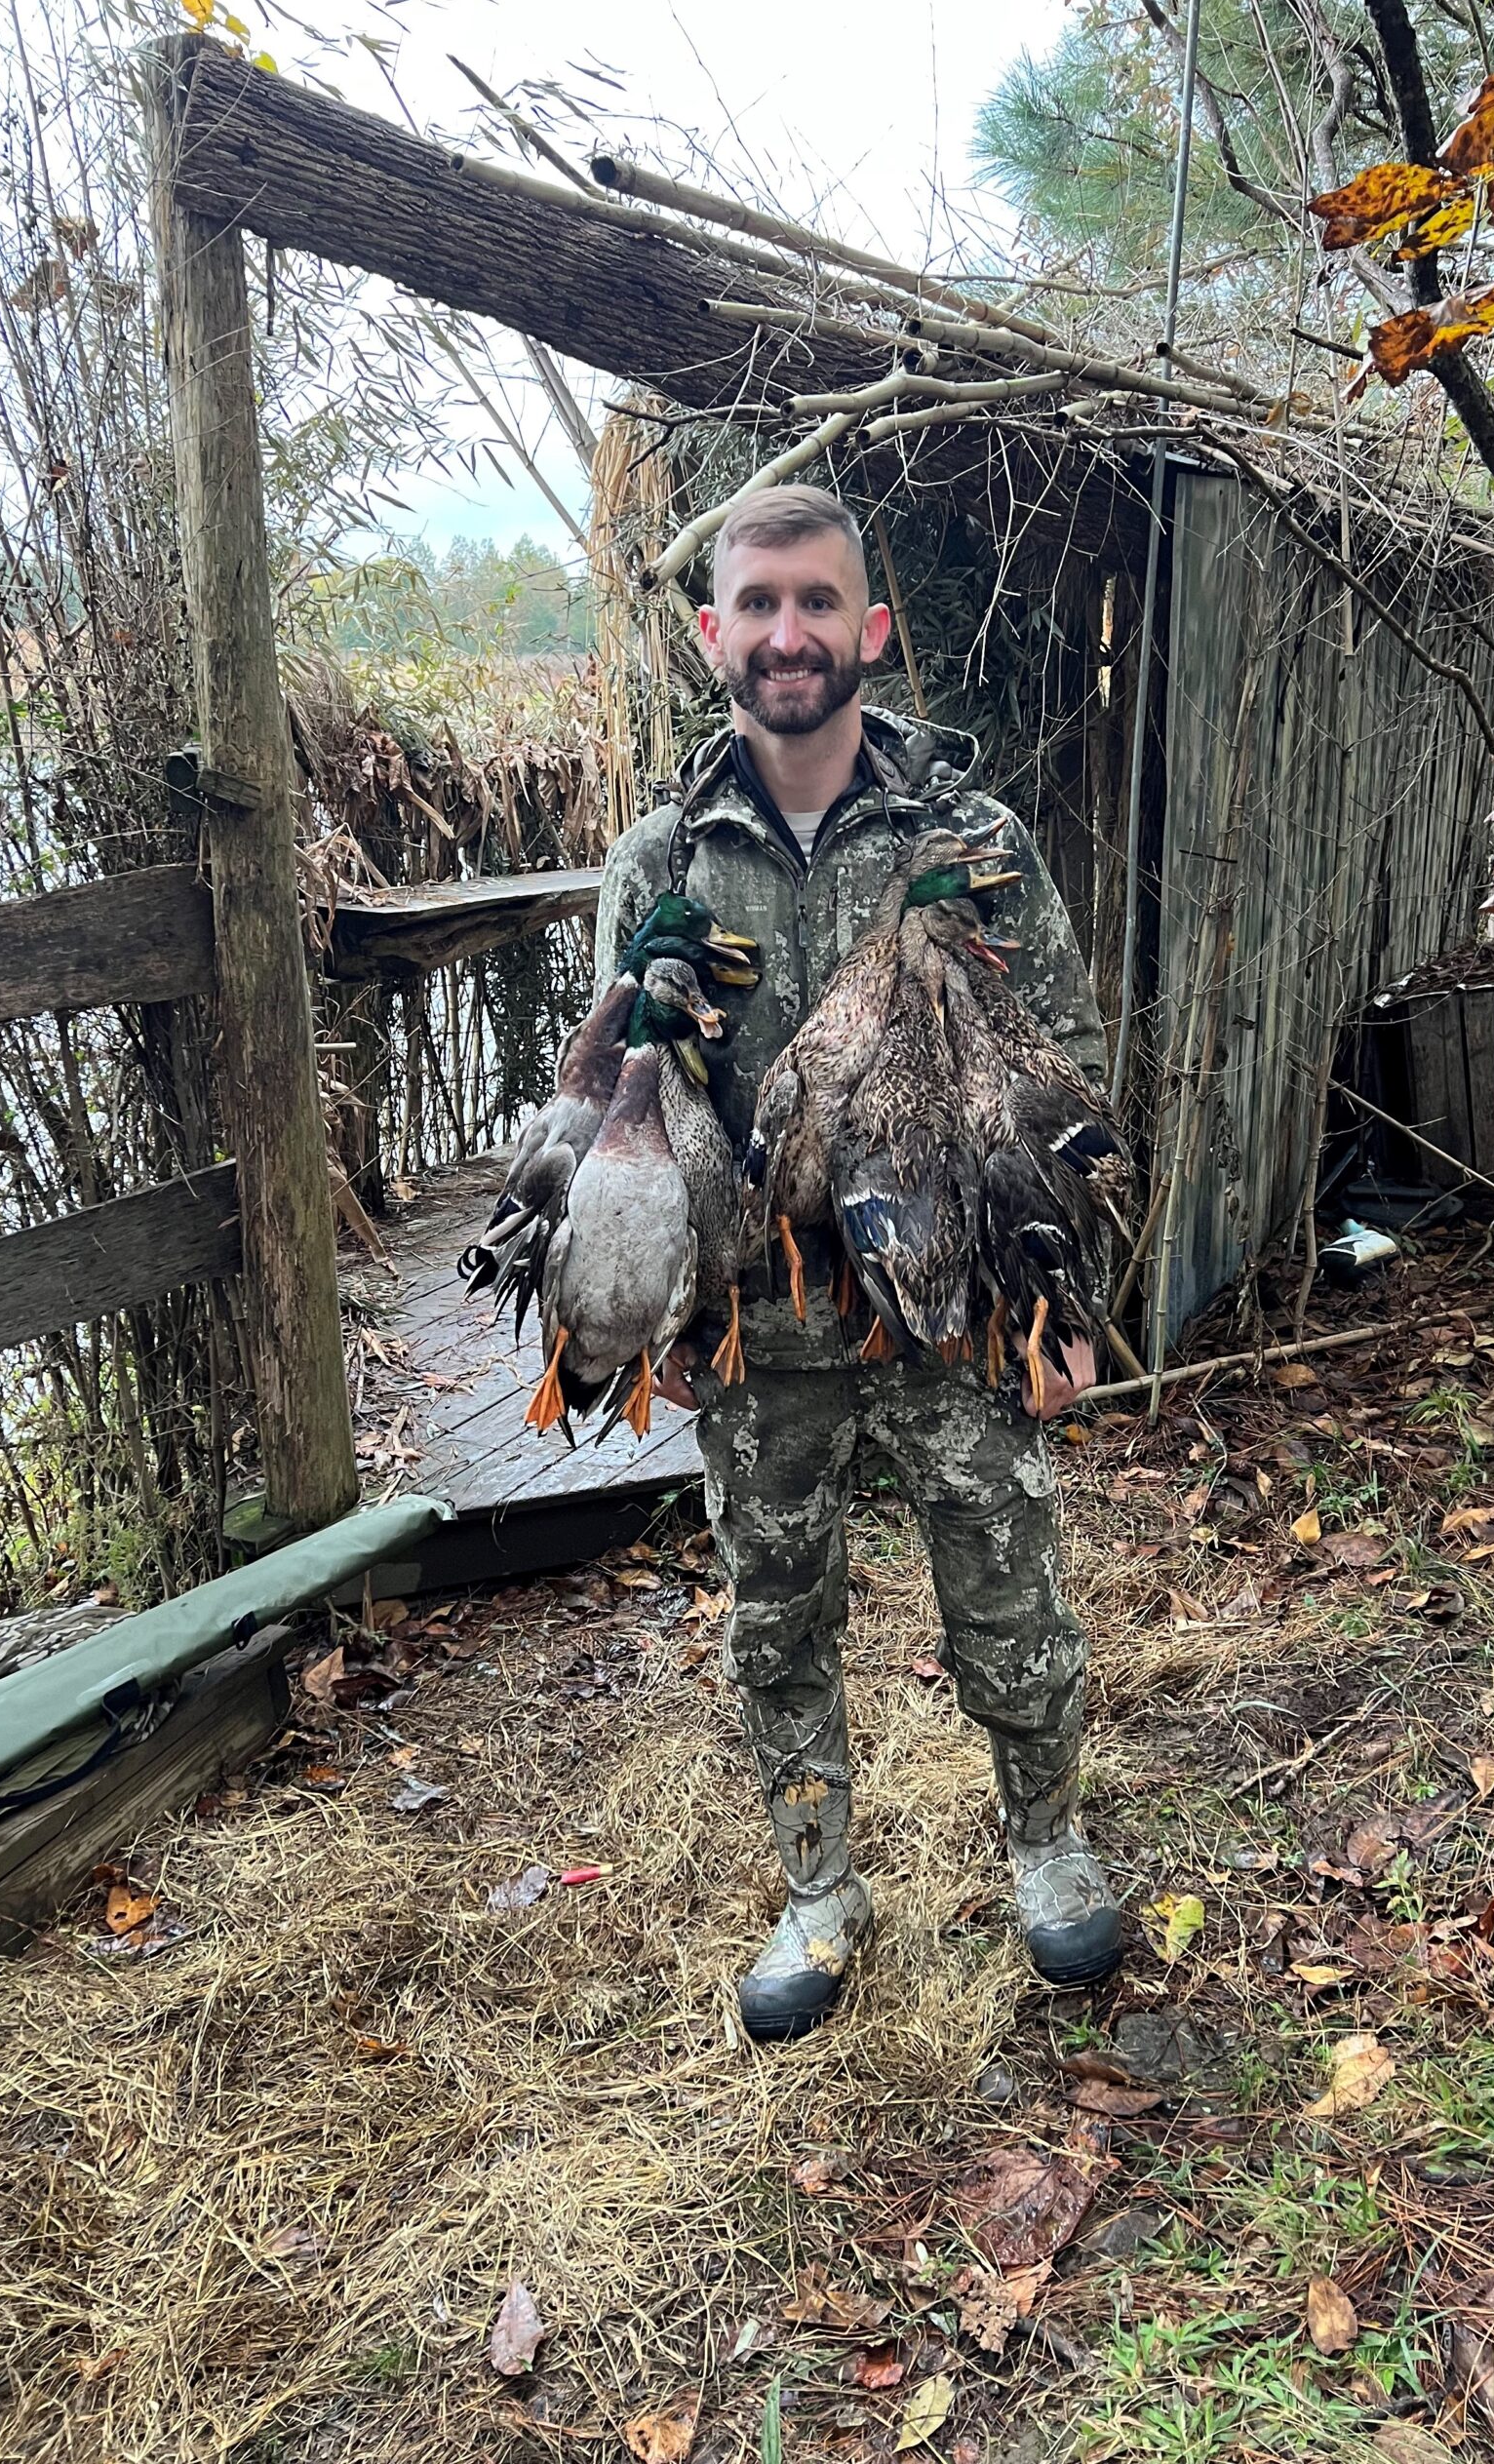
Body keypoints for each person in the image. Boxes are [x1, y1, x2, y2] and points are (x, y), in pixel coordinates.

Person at [590, 484, 1120, 2042]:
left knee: (1010, 1590)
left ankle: (1049, 1849)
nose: (789, 633)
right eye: (757, 606)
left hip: (955, 1310)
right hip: (765, 1332)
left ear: (870, 630)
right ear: (713, 639)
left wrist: (1057, 1299)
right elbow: (636, 1109)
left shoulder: (974, 841)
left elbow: (1068, 1066)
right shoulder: (659, 862)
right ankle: (819, 1885)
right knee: (775, 1615)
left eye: (818, 602)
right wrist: (672, 1313)